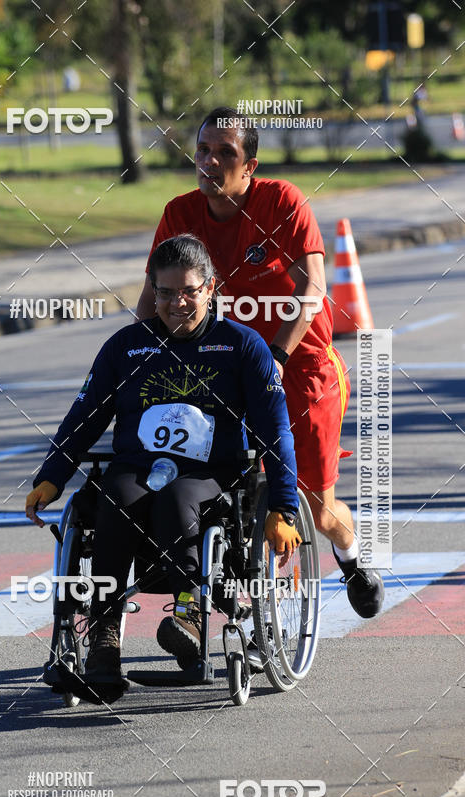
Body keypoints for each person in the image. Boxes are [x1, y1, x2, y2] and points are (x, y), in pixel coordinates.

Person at [136, 107, 384, 619]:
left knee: (315, 507)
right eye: (203, 150)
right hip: (224, 369)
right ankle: (230, 593)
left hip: (300, 368)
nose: (210, 161)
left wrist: (276, 356)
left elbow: (312, 288)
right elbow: (152, 299)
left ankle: (352, 557)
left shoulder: (281, 202)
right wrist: (138, 357)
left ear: (250, 166)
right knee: (213, 481)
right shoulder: (180, 214)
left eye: (225, 153)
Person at [26, 234, 301, 691]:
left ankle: (190, 615)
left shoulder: (243, 346)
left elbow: (276, 431)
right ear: (152, 291)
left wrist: (283, 506)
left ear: (210, 288)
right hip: (137, 467)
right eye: (166, 292)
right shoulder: (126, 347)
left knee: (177, 497)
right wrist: (51, 477)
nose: (178, 303)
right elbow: (85, 416)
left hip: (210, 473)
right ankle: (104, 639)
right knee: (115, 498)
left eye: (189, 291)